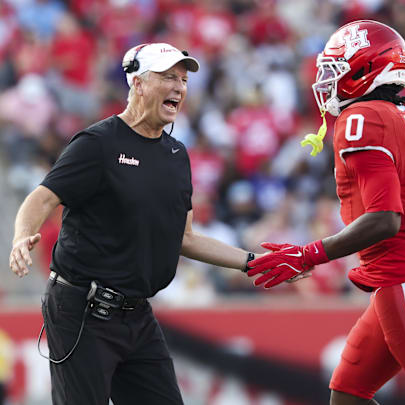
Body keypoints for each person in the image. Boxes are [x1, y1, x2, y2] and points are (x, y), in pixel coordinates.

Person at [247, 20, 405, 405]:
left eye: (338, 69)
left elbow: (385, 218)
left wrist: (309, 254)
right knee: (348, 395)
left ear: (365, 69)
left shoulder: (361, 119)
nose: (328, 81)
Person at [8, 43, 257, 405]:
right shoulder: (98, 143)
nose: (179, 87)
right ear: (137, 83)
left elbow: (185, 238)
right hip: (82, 309)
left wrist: (252, 262)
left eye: (184, 80)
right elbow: (42, 197)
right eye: (168, 77)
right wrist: (19, 237)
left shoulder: (176, 155)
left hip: (138, 313)